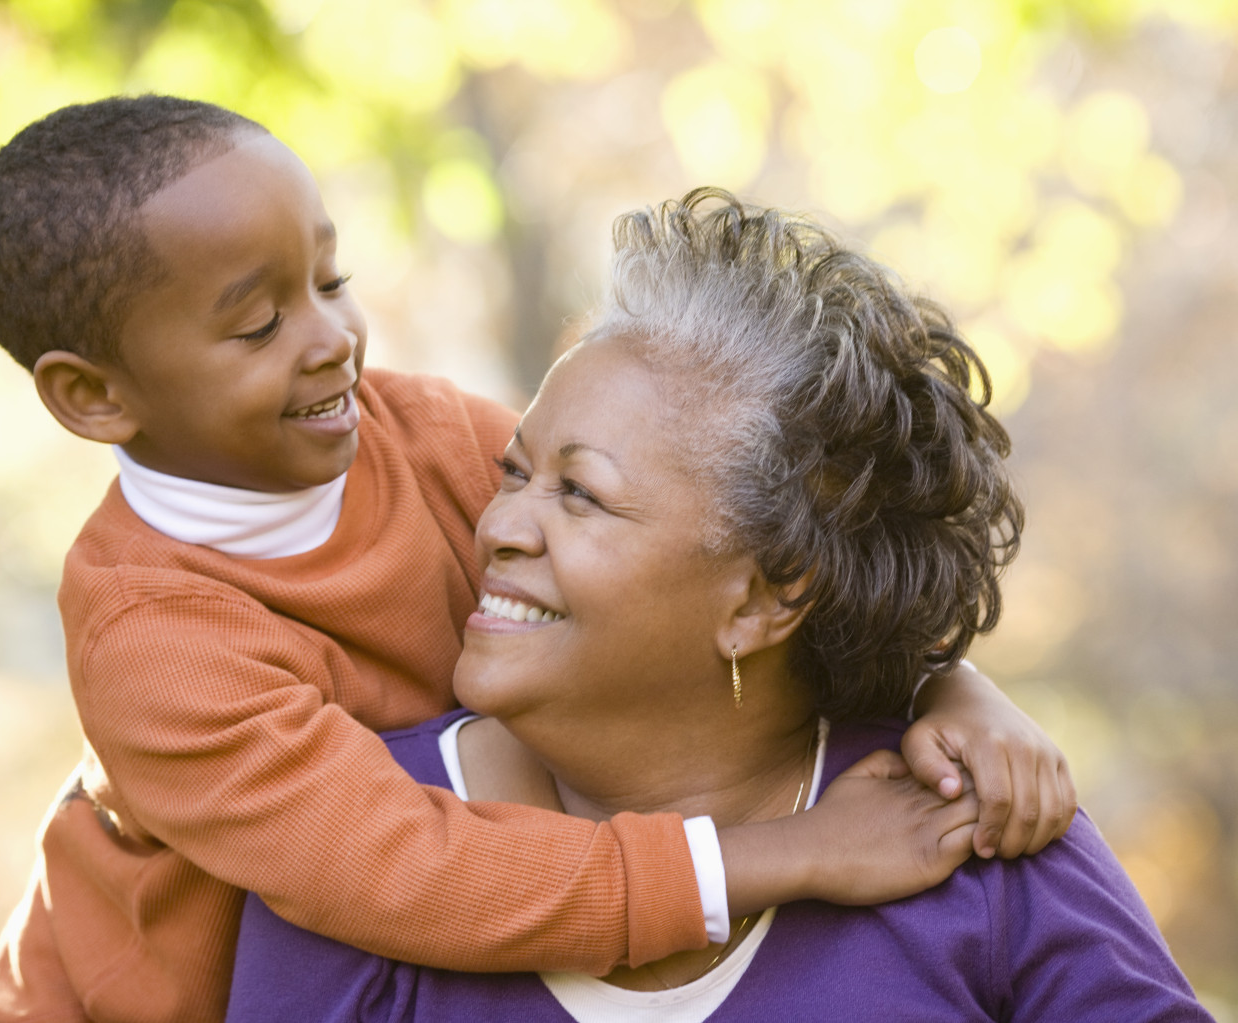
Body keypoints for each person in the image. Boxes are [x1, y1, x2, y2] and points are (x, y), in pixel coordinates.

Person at [0, 98, 1077, 1023]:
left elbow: (692, 558)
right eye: (257, 327)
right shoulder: (155, 644)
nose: (332, 338)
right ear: (93, 396)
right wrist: (790, 854)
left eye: (330, 282)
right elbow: (416, 873)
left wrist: (944, 683)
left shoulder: (427, 433)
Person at [227, 189, 1212, 1022]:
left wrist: (952, 682)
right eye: (515, 473)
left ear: (765, 599)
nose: (500, 529)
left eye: (581, 494)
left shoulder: (971, 829)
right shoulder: (351, 842)